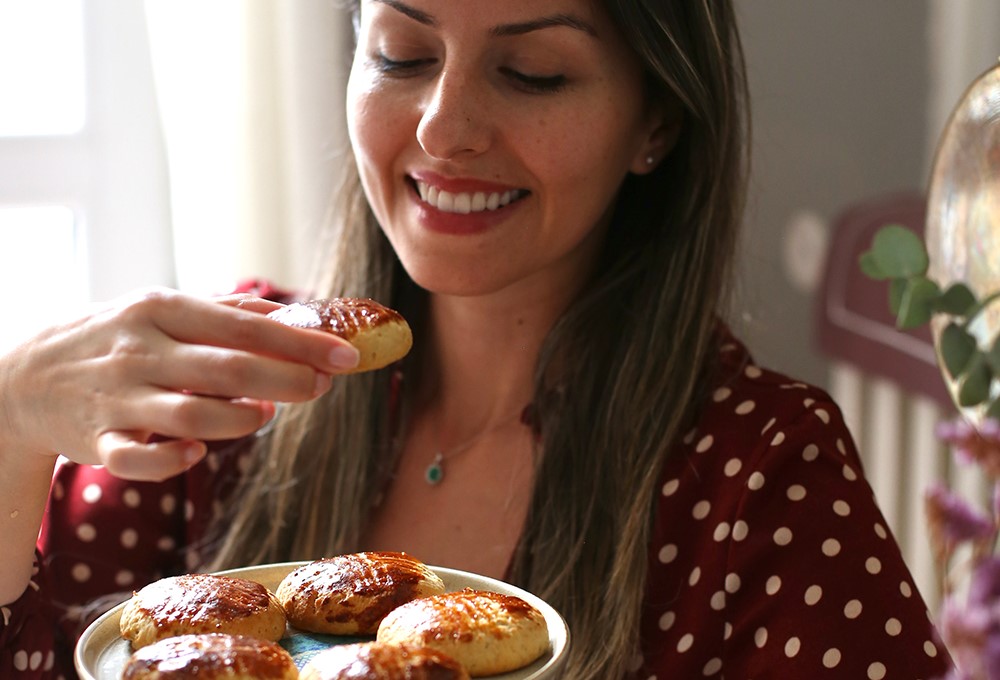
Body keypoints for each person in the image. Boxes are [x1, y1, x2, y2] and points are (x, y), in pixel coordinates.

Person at [0, 1, 954, 678]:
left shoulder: (761, 475)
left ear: (655, 119)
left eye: (532, 71)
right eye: (402, 55)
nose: (445, 127)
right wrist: (11, 423)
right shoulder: (228, 403)